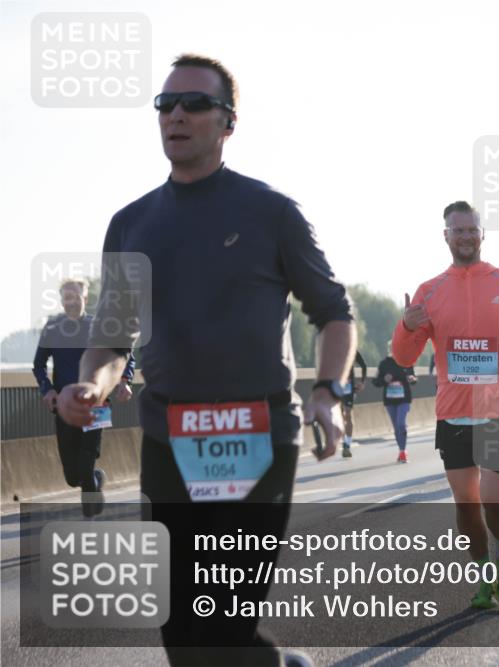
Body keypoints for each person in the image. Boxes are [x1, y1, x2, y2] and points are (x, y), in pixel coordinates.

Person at [56, 54, 355, 667]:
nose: (177, 115)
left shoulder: (271, 213)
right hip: (168, 440)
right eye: (166, 105)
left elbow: (335, 312)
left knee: (220, 624)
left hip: (257, 435)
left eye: (194, 104)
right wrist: (89, 384)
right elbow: (113, 341)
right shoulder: (131, 223)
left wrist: (328, 391)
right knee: (183, 636)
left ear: (228, 123)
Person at [392, 200, 499, 609]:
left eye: (472, 229)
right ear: (445, 235)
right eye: (457, 230)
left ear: (483, 234)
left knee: (493, 497)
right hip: (454, 410)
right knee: (466, 504)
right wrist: (406, 326)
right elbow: (403, 357)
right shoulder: (430, 291)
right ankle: (485, 577)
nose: (465, 236)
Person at [33, 278, 135, 517]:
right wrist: (47, 389)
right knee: (72, 476)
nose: (71, 302)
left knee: (86, 463)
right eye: (66, 297)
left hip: (97, 406)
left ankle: (90, 524)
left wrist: (124, 381)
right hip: (64, 407)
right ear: (61, 300)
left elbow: (126, 356)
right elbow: (38, 365)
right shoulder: (52, 328)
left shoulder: (99, 326)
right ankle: (97, 480)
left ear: (85, 299)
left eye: (75, 297)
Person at [372, 342, 417, 462]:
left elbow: (413, 377)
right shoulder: (384, 364)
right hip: (390, 400)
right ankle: (401, 449)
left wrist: (412, 379)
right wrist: (384, 380)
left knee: (401, 423)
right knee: (396, 426)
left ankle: (403, 451)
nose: (395, 350)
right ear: (389, 349)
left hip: (404, 399)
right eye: (392, 348)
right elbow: (375, 381)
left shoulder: (407, 362)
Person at [340, 351, 367, 457]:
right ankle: (344, 441)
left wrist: (362, 382)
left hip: (348, 387)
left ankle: (347, 444)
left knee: (348, 414)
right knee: (339, 416)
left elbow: (363, 365)